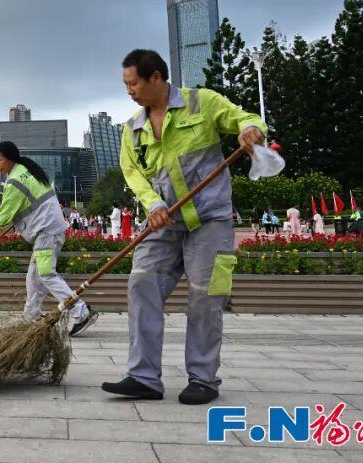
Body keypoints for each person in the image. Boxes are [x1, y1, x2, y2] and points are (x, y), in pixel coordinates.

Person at [103, 49, 265, 406]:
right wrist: (153, 204)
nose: (128, 90)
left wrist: (250, 129)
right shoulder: (132, 129)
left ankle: (203, 379)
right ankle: (143, 376)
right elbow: (133, 173)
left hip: (210, 221)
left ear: (156, 78)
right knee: (141, 283)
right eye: (126, 84)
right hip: (164, 223)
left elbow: (243, 117)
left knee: (206, 296)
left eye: (133, 83)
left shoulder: (201, 103)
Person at [0, 141, 97, 336]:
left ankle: (81, 312)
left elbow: (2, 217)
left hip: (46, 232)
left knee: (46, 274)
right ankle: (31, 315)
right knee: (34, 277)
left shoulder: (15, 181)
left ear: (9, 159)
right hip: (49, 230)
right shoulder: (26, 170)